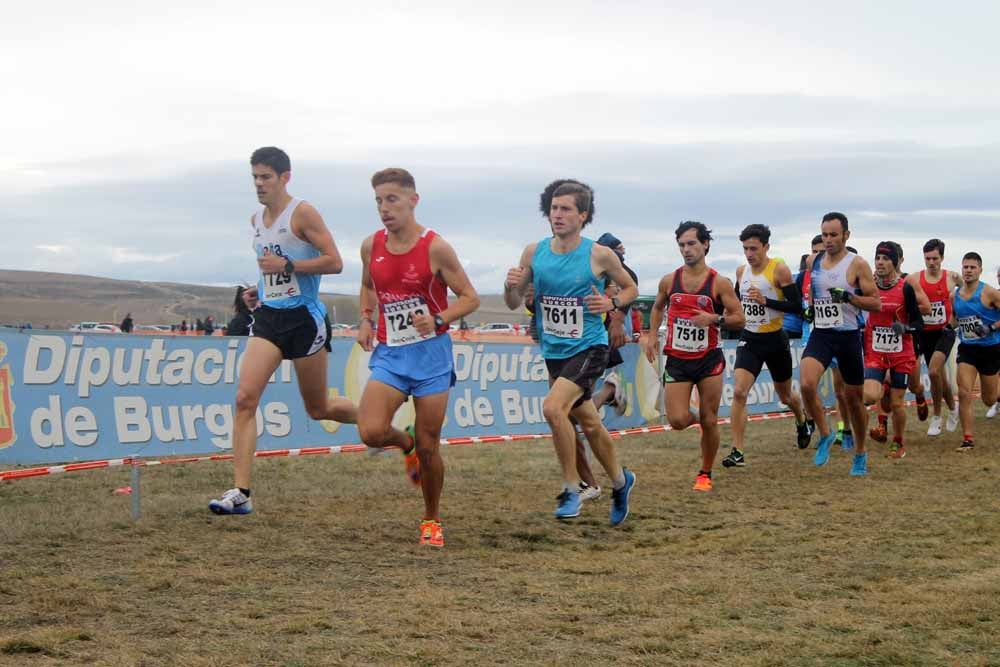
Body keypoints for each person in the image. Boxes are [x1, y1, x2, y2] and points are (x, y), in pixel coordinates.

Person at [209, 147, 414, 516]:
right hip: (270, 318)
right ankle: (241, 492)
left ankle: (384, 425)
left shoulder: (302, 212)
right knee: (244, 398)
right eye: (254, 177)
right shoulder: (256, 218)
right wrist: (261, 285)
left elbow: (334, 262)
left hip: (305, 321)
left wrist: (287, 265)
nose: (259, 184)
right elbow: (271, 265)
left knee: (318, 408)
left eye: (266, 177)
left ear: (285, 177)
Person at [356, 167, 480, 547]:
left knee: (430, 446)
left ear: (413, 200)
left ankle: (431, 519)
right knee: (371, 431)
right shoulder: (370, 246)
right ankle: (403, 443)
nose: (384, 208)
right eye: (378, 201)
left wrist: (438, 318)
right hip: (391, 354)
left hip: (431, 359)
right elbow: (366, 285)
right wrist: (365, 319)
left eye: (391, 199)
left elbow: (470, 298)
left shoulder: (435, 247)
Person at [504, 181, 637, 523]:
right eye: (553, 208)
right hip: (555, 348)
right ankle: (622, 482)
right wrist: (511, 286)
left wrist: (612, 303)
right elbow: (514, 302)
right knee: (589, 422)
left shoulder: (598, 254)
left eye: (565, 209)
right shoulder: (534, 252)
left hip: (590, 346)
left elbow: (631, 287)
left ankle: (571, 488)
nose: (557, 215)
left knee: (552, 408)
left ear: (583, 215)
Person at [645, 221, 744, 491]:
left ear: (705, 245)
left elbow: (739, 318)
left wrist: (713, 318)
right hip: (677, 359)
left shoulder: (718, 283)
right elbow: (656, 308)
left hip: (709, 359)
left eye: (691, 244)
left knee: (710, 418)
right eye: (682, 245)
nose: (686, 250)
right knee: (677, 420)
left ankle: (705, 473)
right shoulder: (669, 280)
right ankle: (706, 420)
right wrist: (652, 334)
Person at [799, 212, 881, 476]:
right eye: (825, 235)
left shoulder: (857, 264)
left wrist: (849, 297)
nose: (829, 240)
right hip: (822, 334)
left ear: (847, 234)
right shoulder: (815, 261)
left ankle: (860, 453)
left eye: (834, 234)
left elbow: (875, 302)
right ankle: (825, 433)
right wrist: (810, 308)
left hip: (847, 336)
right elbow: (813, 292)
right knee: (806, 384)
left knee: (854, 400)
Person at [722, 224, 809, 469]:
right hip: (750, 339)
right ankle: (737, 451)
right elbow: (738, 305)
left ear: (766, 247)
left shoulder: (779, 270)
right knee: (739, 392)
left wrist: (766, 301)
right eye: (745, 249)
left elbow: (796, 307)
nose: (749, 254)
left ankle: (801, 418)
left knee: (785, 395)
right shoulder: (741, 272)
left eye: (754, 248)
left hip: (775, 339)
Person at [862, 242, 928, 458]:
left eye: (885, 259)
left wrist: (905, 327)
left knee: (898, 402)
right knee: (870, 395)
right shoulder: (869, 285)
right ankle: (881, 416)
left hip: (901, 353)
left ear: (894, 262)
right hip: (875, 351)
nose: (880, 262)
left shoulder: (906, 287)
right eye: (877, 258)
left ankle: (898, 443)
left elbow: (919, 323)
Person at [903, 239, 960, 436]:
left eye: (935, 258)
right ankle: (953, 408)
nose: (931, 262)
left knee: (935, 371)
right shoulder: (914, 278)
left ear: (942, 258)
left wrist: (958, 315)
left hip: (944, 331)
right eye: (927, 258)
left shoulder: (952, 277)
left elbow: (968, 292)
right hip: (923, 332)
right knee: (940, 377)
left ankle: (936, 416)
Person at [952, 252, 1000, 452]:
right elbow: (956, 320)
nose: (968, 270)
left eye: (973, 267)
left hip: (990, 350)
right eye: (966, 267)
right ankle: (968, 439)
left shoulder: (989, 293)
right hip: (968, 349)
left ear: (980, 270)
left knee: (988, 398)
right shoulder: (954, 295)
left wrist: (991, 328)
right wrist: (948, 327)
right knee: (964, 393)